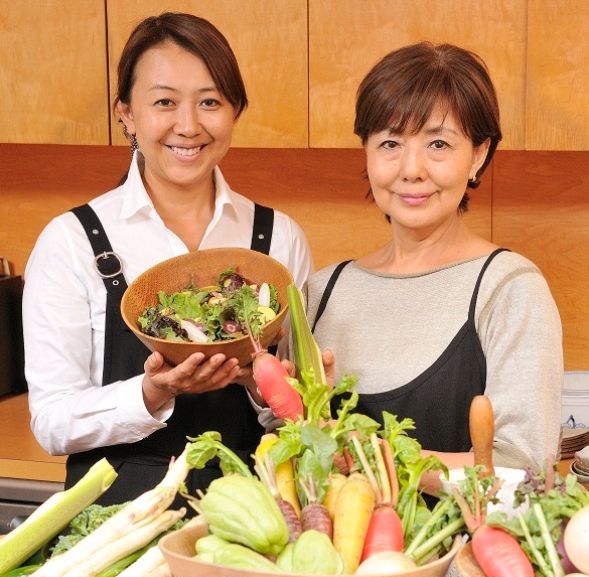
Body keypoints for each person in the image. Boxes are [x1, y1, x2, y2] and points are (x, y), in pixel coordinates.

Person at [23, 12, 312, 505]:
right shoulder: (73, 241)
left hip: (252, 519)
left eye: (209, 102)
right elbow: (51, 422)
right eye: (164, 102)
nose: (188, 125)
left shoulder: (278, 239)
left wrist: (263, 385)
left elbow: (299, 416)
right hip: (116, 525)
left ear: (235, 111)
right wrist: (151, 393)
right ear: (127, 114)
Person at [306, 42, 563, 485]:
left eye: (439, 144)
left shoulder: (510, 288)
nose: (411, 169)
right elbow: (288, 441)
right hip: (329, 551)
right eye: (390, 142)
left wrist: (376, 459)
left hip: (460, 553)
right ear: (366, 152)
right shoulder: (320, 292)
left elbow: (524, 468)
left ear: (478, 155)